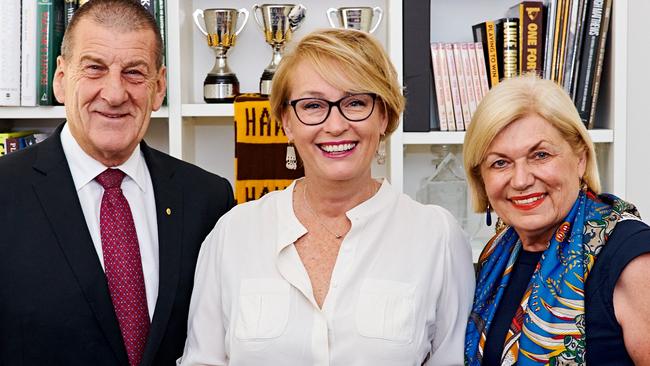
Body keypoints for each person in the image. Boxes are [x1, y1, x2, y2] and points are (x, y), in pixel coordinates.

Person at [177, 28, 475, 366]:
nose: (335, 125)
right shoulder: (232, 234)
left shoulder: (436, 236)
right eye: (313, 105)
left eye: (356, 103)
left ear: (385, 116)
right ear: (287, 122)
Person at [0, 0, 234, 365]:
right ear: (60, 80)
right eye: (94, 69)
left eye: (134, 73)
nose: (114, 93)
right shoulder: (5, 192)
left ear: (159, 88)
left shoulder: (208, 199)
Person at [463, 74, 650, 365]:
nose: (521, 180)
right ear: (481, 178)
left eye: (540, 155)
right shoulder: (497, 253)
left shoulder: (633, 258)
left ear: (580, 158)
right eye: (500, 162)